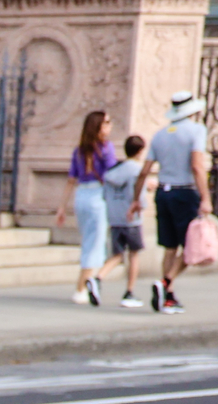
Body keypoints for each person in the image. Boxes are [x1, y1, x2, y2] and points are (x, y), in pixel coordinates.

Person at [139, 90, 211, 315]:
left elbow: (145, 171)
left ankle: (167, 295)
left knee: (170, 246)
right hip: (185, 191)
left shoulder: (160, 135)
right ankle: (166, 282)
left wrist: (135, 199)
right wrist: (206, 197)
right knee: (192, 246)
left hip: (164, 191)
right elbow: (197, 165)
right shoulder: (196, 131)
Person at [54, 110, 118, 306]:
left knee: (89, 240)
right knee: (95, 241)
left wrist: (62, 207)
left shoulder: (79, 150)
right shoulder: (106, 149)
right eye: (107, 122)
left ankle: (86, 283)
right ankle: (83, 286)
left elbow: (71, 180)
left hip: (82, 195)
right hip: (98, 195)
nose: (110, 125)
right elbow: (113, 175)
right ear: (99, 127)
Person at [96, 133, 149, 307]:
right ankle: (129, 291)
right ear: (140, 151)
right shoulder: (136, 171)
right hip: (130, 218)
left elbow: (105, 195)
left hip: (114, 217)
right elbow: (138, 195)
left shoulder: (113, 172)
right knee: (133, 255)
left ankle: (98, 278)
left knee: (117, 255)